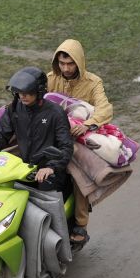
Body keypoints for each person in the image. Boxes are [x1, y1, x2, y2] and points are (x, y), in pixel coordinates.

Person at [47, 39, 114, 245]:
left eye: (70, 64)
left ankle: (81, 224)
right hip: (50, 134)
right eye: (62, 63)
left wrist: (87, 124)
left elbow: (105, 109)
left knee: (78, 175)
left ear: (79, 62)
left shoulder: (94, 83)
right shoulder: (50, 78)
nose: (65, 69)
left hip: (78, 138)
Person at [0, 67, 73, 192]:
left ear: (39, 91)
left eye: (28, 92)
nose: (22, 96)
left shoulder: (56, 113)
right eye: (19, 92)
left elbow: (66, 146)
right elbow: (1, 136)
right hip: (24, 169)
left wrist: (51, 167)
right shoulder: (13, 109)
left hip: (49, 171)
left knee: (45, 198)